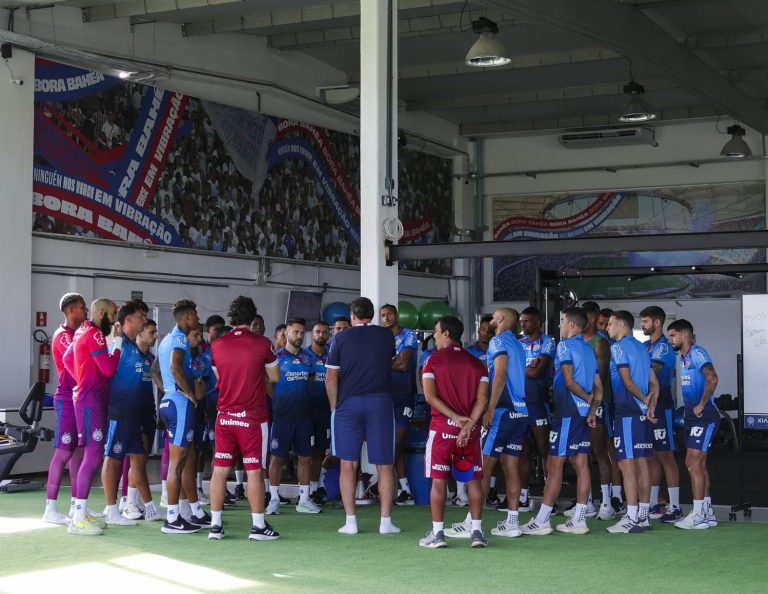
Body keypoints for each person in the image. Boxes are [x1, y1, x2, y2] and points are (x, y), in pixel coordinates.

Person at [448, 308, 528, 539]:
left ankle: (472, 523)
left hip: (503, 412)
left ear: (501, 320)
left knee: (480, 467)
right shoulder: (518, 344)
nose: (491, 321)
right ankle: (512, 522)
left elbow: (500, 374)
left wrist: (490, 408)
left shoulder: (498, 341)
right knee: (510, 468)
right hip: (521, 413)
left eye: (494, 317)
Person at [522, 307, 602, 536]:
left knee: (554, 466)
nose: (559, 325)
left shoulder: (564, 345)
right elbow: (599, 385)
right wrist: (592, 408)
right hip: (582, 413)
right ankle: (579, 520)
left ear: (573, 325)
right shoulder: (588, 349)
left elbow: (568, 381)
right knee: (581, 463)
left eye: (562, 320)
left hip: (568, 412)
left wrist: (587, 402)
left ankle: (542, 520)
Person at [208, 296, 280, 541]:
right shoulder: (263, 344)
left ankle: (215, 526)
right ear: (253, 318)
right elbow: (275, 377)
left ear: (232, 318)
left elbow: (219, 377)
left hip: (225, 416)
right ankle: (258, 526)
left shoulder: (217, 345)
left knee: (219, 470)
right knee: (254, 471)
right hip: (252, 418)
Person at [326, 297, 399, 535]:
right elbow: (389, 361)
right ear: (373, 315)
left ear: (352, 316)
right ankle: (385, 523)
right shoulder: (386, 335)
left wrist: (335, 407)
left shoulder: (340, 338)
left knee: (348, 464)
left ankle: (350, 522)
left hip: (349, 404)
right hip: (380, 402)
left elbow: (331, 378)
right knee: (384, 465)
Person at [420, 316, 489, 549]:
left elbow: (430, 397)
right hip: (469, 433)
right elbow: (483, 400)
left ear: (447, 334)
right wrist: (468, 425)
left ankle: (438, 535)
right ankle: (477, 533)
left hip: (441, 431)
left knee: (439, 482)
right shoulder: (478, 364)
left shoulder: (432, 360)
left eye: (437, 332)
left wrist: (454, 418)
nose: (435, 337)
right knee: (473, 481)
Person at [63, 298, 123, 535]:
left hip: (87, 400)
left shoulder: (81, 331)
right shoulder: (96, 334)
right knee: (92, 456)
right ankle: (77, 518)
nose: (116, 319)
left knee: (90, 455)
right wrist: (117, 343)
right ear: (102, 313)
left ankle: (81, 511)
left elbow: (68, 360)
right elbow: (108, 369)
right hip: (91, 402)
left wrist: (82, 379)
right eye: (114, 314)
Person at [156, 299, 210, 534]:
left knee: (183, 460)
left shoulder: (166, 339)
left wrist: (168, 391)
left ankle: (187, 513)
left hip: (169, 401)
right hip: (178, 403)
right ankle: (172, 519)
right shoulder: (178, 337)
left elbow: (154, 370)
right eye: (196, 316)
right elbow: (173, 367)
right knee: (177, 463)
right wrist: (188, 394)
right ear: (187, 317)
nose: (198, 321)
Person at [605, 310, 659, 534]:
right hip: (642, 414)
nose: (607, 328)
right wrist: (650, 404)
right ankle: (644, 516)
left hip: (627, 412)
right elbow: (654, 382)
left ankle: (630, 517)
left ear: (621, 325)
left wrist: (644, 399)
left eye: (610, 324)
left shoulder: (617, 347)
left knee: (626, 465)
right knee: (642, 462)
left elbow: (627, 382)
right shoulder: (642, 347)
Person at [101, 300, 151, 527]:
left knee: (135, 459)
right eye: (141, 316)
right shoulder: (116, 345)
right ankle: (111, 510)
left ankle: (129, 504)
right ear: (128, 319)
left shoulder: (137, 349)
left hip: (135, 415)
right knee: (113, 459)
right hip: (119, 412)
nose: (144, 320)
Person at [667, 319, 720, 530]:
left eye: (672, 335)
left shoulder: (698, 353)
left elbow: (713, 378)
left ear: (684, 335)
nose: (669, 339)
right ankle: (707, 512)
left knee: (692, 463)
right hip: (692, 416)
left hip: (704, 416)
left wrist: (701, 404)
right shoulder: (684, 357)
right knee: (699, 464)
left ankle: (698, 513)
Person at [267, 318, 322, 515]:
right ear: (287, 333)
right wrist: (280, 401)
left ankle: (304, 500)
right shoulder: (277, 357)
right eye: (295, 332)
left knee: (305, 458)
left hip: (304, 417)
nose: (299, 336)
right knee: (276, 458)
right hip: (282, 417)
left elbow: (312, 381)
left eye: (301, 333)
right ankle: (274, 499)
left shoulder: (309, 358)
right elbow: (268, 384)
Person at [43, 293, 87, 525]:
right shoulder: (63, 336)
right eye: (82, 307)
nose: (86, 310)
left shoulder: (79, 333)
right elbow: (79, 364)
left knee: (77, 451)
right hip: (66, 400)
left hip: (79, 398)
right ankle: (50, 508)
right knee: (63, 451)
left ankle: (75, 505)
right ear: (71, 311)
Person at [639, 306, 683, 524]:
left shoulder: (664, 347)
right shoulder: (645, 346)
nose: (642, 325)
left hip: (662, 405)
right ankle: (654, 503)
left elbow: (650, 373)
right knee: (652, 456)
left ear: (657, 323)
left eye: (645, 321)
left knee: (666, 455)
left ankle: (675, 507)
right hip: (647, 405)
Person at [580, 301, 619, 520]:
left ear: (592, 320)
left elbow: (600, 377)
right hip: (577, 404)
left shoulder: (601, 343)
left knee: (599, 452)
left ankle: (607, 503)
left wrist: (591, 404)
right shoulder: (574, 342)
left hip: (597, 405)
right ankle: (586, 502)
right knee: (580, 454)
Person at [121, 318, 161, 521]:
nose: (155, 336)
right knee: (138, 461)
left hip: (148, 412)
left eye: (155, 332)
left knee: (140, 460)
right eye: (152, 332)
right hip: (132, 413)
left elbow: (158, 385)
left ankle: (130, 503)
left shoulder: (152, 358)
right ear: (140, 332)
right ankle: (143, 505)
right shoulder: (127, 353)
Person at [517, 306, 555, 513]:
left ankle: (551, 498)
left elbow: (536, 372)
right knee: (522, 452)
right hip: (520, 404)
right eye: (522, 321)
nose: (524, 325)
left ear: (538, 322)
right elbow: (520, 371)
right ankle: (522, 497)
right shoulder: (517, 342)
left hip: (539, 404)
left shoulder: (548, 342)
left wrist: (521, 369)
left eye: (528, 321)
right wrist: (527, 367)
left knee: (544, 450)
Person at [380, 304, 418, 505]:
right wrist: (392, 361)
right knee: (395, 444)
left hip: (404, 395)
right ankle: (405, 491)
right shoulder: (379, 337)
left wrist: (382, 362)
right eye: (382, 315)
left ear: (396, 315)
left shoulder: (409, 335)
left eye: (389, 314)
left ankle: (381, 481)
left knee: (396, 442)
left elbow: (404, 364)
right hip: (384, 395)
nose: (386, 318)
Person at [307, 321, 331, 504]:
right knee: (305, 452)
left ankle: (315, 489)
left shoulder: (332, 356)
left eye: (324, 332)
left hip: (326, 411)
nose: (321, 335)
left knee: (320, 451)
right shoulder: (304, 356)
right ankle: (304, 492)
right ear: (312, 334)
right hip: (306, 411)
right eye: (317, 332)